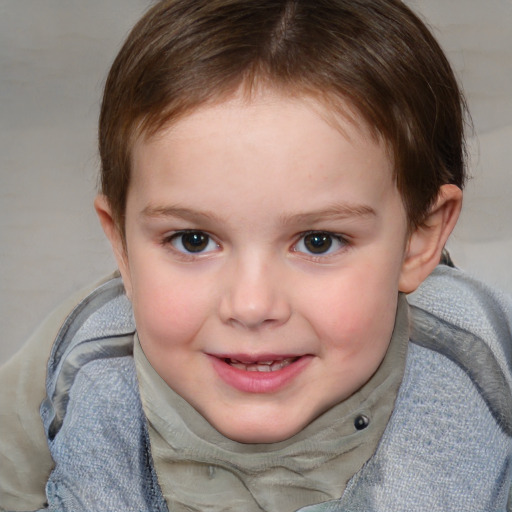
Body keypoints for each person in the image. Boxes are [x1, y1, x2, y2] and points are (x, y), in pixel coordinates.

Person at [1, 0, 511, 510]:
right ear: (122, 247)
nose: (250, 305)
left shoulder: (481, 365)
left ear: (419, 236)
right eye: (193, 240)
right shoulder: (78, 357)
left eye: (318, 241)